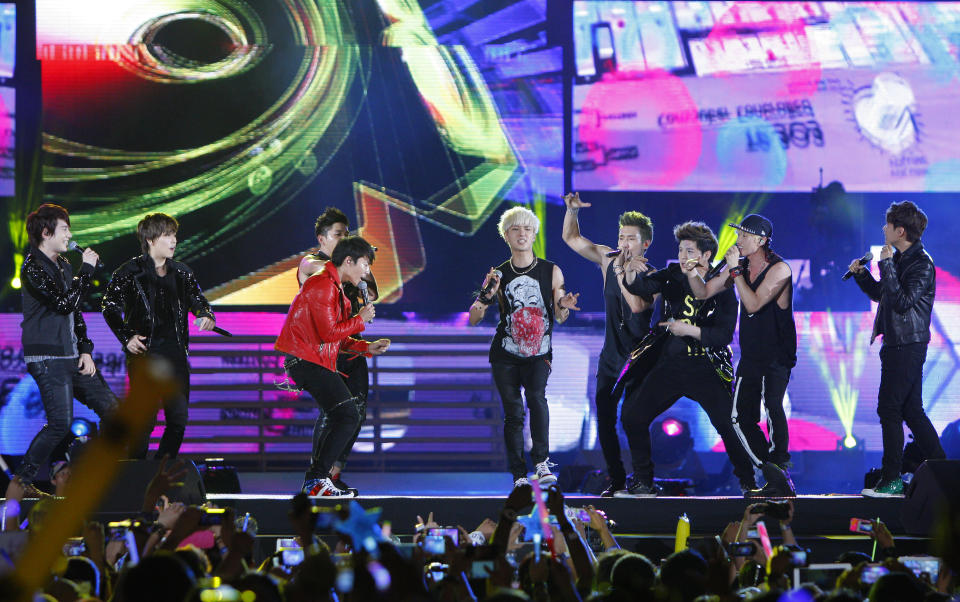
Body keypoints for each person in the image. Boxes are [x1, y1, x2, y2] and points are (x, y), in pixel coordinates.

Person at [617, 222, 794, 497]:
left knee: (730, 424)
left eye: (689, 250)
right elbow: (642, 285)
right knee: (631, 415)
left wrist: (688, 330)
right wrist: (629, 272)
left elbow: (723, 334)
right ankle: (643, 481)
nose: (682, 254)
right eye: (680, 249)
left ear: (705, 255)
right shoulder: (674, 274)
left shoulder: (728, 282)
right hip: (670, 366)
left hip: (706, 367)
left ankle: (751, 481)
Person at [9, 203, 118, 496]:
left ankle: (105, 470)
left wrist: (85, 350)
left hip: (72, 354)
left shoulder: (64, 265)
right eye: (65, 229)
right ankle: (21, 482)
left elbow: (75, 312)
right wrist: (86, 272)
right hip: (47, 357)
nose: (70, 234)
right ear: (46, 233)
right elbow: (63, 303)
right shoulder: (32, 267)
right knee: (60, 423)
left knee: (113, 410)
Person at [468, 206, 581, 488]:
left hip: (538, 353)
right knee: (513, 414)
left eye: (527, 229)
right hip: (505, 354)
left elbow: (561, 315)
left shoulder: (551, 271)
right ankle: (518, 474)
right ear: (506, 235)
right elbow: (473, 318)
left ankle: (541, 462)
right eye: (516, 229)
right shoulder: (499, 274)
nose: (522, 234)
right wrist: (485, 294)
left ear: (534, 235)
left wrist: (564, 308)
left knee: (536, 398)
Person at [687, 214, 797, 493]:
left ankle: (780, 465)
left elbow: (753, 305)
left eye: (744, 236)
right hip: (751, 353)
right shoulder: (740, 265)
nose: (738, 241)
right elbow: (704, 292)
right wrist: (691, 272)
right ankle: (771, 472)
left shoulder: (780, 269)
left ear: (760, 240)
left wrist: (735, 272)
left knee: (773, 405)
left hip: (777, 352)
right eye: (738, 235)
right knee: (738, 418)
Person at [275, 236, 391, 497]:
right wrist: (360, 320)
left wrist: (366, 347)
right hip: (305, 360)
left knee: (343, 416)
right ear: (348, 261)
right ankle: (317, 479)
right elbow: (328, 333)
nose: (366, 271)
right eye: (364, 264)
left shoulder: (338, 291)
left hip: (315, 360)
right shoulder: (322, 284)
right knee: (348, 415)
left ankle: (317, 479)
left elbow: (336, 337)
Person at [561, 192, 655, 496]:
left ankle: (643, 479)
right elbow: (571, 238)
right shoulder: (607, 259)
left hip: (639, 358)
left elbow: (640, 307)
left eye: (630, 238)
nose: (624, 242)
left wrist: (623, 275)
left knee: (634, 419)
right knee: (605, 417)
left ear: (645, 244)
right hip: (611, 356)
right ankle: (616, 479)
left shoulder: (652, 276)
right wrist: (572, 212)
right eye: (621, 236)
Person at [849, 201, 945, 497]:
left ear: (899, 230)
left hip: (907, 345)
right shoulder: (903, 259)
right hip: (898, 343)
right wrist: (863, 275)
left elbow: (903, 303)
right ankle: (943, 470)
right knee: (912, 411)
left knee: (889, 409)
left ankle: (891, 478)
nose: (883, 229)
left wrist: (887, 264)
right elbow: (885, 294)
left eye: (887, 224)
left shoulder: (921, 264)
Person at [102, 213, 216, 459]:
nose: (174, 240)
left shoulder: (182, 272)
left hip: (175, 355)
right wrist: (127, 337)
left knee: (178, 419)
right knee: (145, 420)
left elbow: (198, 300)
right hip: (145, 354)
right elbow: (109, 306)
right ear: (151, 239)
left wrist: (205, 314)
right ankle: (135, 470)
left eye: (174, 235)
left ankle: (159, 471)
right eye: (167, 235)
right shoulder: (129, 272)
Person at [298, 207, 379, 495]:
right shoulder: (313, 263)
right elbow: (319, 272)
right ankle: (317, 477)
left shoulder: (351, 268)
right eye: (338, 235)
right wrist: (349, 263)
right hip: (326, 349)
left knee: (356, 413)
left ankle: (332, 474)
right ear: (321, 238)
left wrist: (361, 262)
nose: (343, 238)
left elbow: (371, 290)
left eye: (347, 234)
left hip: (352, 344)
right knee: (334, 412)